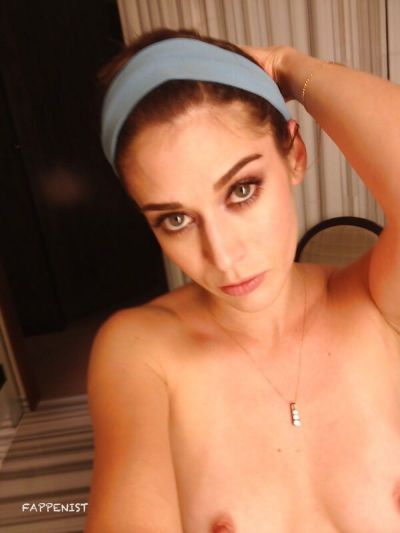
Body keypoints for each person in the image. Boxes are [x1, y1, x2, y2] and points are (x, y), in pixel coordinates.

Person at [85, 28, 400, 532]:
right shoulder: (141, 351)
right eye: (176, 219)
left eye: (242, 190)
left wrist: (292, 68)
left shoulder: (377, 305)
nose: (224, 256)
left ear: (294, 155)